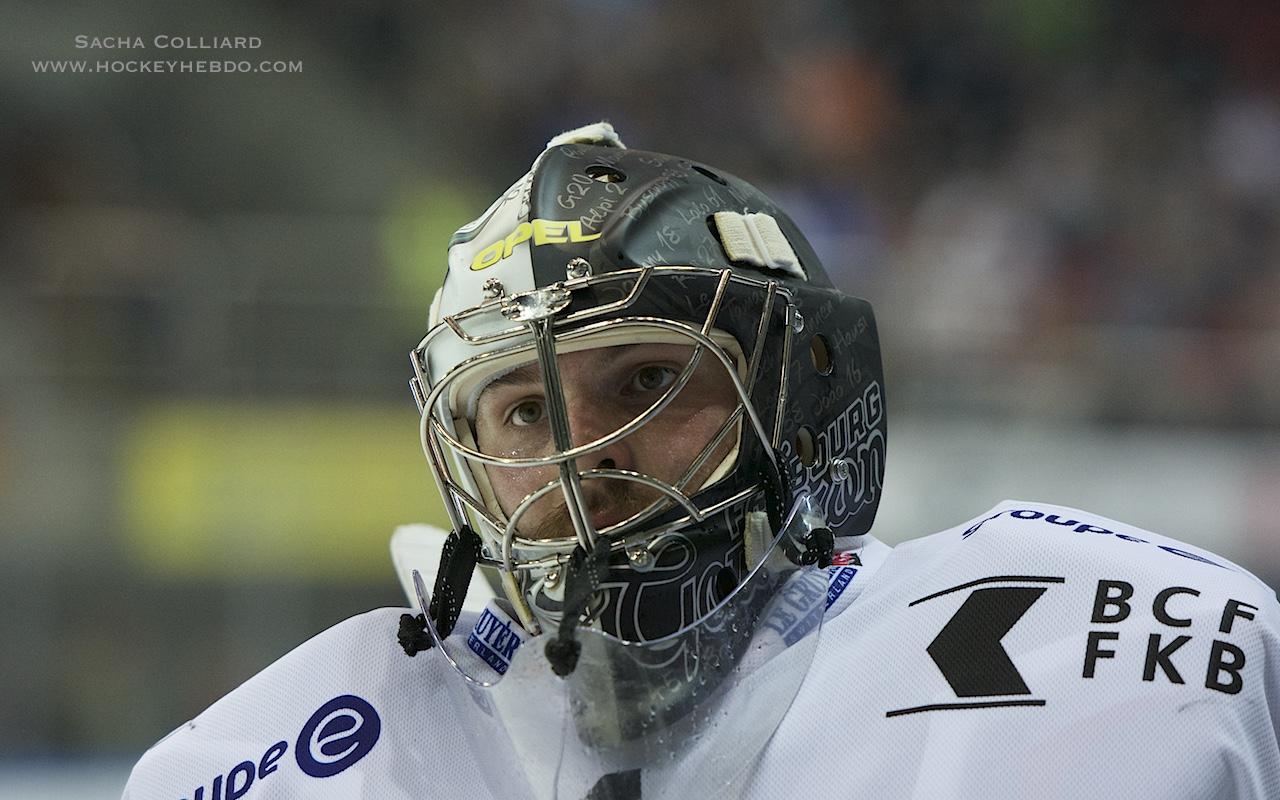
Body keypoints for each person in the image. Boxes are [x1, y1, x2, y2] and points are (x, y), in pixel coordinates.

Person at [123, 123, 1280, 800]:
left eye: (643, 381)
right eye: (523, 413)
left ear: (797, 394)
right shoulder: (270, 758)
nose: (586, 460)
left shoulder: (1116, 646)